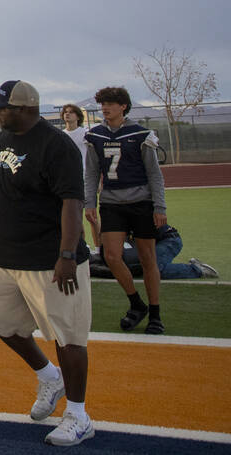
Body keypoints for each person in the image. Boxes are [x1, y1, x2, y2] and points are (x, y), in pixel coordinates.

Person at [0, 80, 93, 447]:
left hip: (47, 259)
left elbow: (71, 203)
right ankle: (47, 375)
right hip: (2, 256)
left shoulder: (56, 146)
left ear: (26, 108)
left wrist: (67, 255)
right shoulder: (4, 138)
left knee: (68, 337)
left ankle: (78, 414)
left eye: (3, 107)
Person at [84, 86, 166, 334]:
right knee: (110, 256)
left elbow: (155, 174)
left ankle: (155, 314)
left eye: (110, 103)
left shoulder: (141, 133)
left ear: (123, 106)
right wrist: (90, 202)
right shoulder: (95, 135)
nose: (105, 108)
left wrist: (159, 206)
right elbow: (91, 173)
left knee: (148, 258)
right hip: (111, 203)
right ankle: (136, 303)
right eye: (102, 104)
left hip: (141, 202)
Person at [89, 223, 218, 280]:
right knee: (146, 267)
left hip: (169, 240)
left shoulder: (139, 213)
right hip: (151, 244)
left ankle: (198, 270)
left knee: (154, 270)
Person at [60, 104, 100, 249]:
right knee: (75, 218)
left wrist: (97, 180)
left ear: (78, 116)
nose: (67, 115)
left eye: (71, 112)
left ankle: (99, 248)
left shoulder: (86, 134)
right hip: (70, 182)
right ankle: (82, 248)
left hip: (86, 179)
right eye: (65, 112)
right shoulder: (61, 135)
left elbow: (94, 157)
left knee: (91, 216)